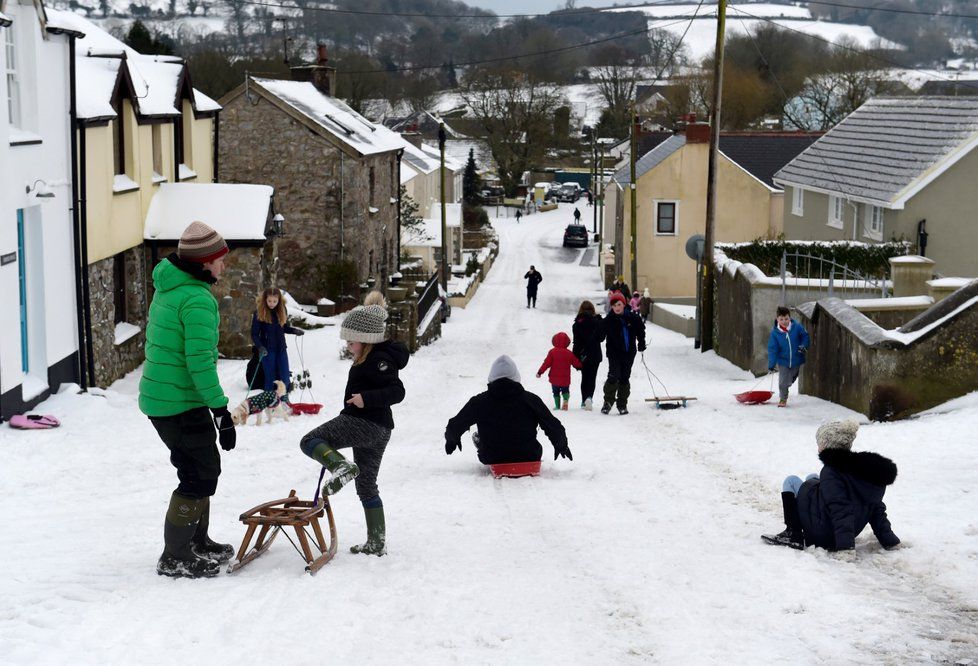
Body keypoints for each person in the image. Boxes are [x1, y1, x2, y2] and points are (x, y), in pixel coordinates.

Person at [139, 221, 237, 579]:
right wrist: (221, 409)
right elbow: (199, 361)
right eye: (219, 259)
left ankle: (197, 541)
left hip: (168, 397)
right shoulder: (196, 298)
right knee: (198, 474)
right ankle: (175, 555)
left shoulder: (171, 286)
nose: (223, 266)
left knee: (201, 469)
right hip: (177, 402)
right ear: (204, 263)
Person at [299, 305, 409, 556]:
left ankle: (340, 467)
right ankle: (376, 542)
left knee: (309, 440)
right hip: (378, 429)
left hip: (364, 422)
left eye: (351, 339)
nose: (347, 343)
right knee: (367, 485)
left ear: (366, 338)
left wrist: (365, 399)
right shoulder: (371, 358)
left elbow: (397, 391)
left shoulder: (378, 361)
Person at [762, 419, 900, 554]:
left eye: (820, 443)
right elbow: (876, 510)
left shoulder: (832, 471)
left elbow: (841, 508)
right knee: (812, 477)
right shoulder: (866, 473)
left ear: (827, 445)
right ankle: (799, 530)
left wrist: (845, 548)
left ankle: (793, 533)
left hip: (825, 534)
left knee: (791, 481)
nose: (818, 447)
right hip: (845, 531)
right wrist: (890, 541)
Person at [445, 355, 572, 465]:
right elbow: (552, 425)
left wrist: (452, 439)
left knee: (478, 435)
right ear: (515, 376)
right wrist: (561, 445)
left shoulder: (479, 402)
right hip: (528, 455)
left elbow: (456, 424)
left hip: (492, 456)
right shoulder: (531, 400)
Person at [596, 292, 646, 415]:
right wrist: (598, 325)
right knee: (613, 376)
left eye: (619, 304)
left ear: (624, 304)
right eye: (614, 305)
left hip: (629, 353)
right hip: (614, 353)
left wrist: (641, 343)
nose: (617, 307)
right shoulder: (609, 320)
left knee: (624, 377)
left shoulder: (633, 318)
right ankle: (607, 402)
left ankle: (622, 404)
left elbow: (640, 331)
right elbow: (599, 337)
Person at [251, 287, 304, 393]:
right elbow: (254, 334)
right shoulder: (259, 312)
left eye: (275, 301)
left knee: (285, 377)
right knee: (270, 378)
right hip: (267, 350)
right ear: (265, 299)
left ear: (279, 300)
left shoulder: (282, 310)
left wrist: (294, 330)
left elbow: (283, 327)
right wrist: (260, 347)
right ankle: (269, 403)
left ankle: (284, 402)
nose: (272, 303)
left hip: (281, 348)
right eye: (269, 301)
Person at [767, 305, 811, 408]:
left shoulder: (796, 327)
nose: (784, 321)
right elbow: (773, 349)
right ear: (777, 319)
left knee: (791, 378)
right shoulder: (775, 333)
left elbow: (805, 336)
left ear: (789, 317)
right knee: (783, 382)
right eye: (781, 319)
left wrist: (803, 346)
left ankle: (788, 383)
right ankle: (783, 398)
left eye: (786, 318)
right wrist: (771, 364)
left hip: (796, 359)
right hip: (783, 361)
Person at [536, 332, 582, 410]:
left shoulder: (552, 352)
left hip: (554, 379)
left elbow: (546, 363)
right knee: (565, 391)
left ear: (554, 341)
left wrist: (540, 372)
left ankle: (557, 406)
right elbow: (576, 363)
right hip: (565, 379)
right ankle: (565, 400)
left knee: (556, 392)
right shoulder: (569, 353)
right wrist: (580, 366)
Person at [572, 300, 603, 410]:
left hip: (583, 356)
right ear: (592, 310)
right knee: (592, 378)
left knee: (584, 378)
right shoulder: (597, 322)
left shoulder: (576, 324)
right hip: (595, 355)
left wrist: (574, 358)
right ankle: (589, 397)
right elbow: (601, 338)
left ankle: (583, 400)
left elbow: (576, 343)